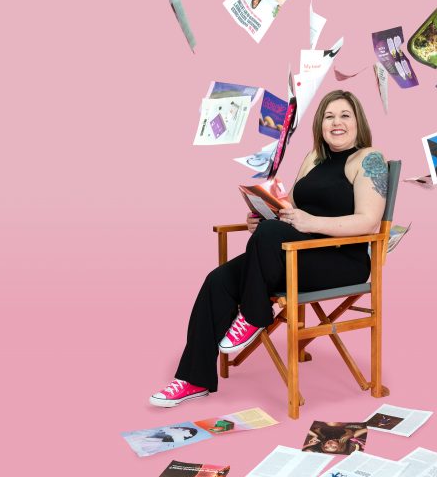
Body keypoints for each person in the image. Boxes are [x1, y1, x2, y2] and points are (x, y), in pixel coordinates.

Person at [150, 90, 388, 407]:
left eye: (345, 115)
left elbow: (368, 222)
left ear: (358, 121)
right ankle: (193, 379)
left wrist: (307, 222)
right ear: (320, 125)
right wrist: (264, 218)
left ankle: (254, 314)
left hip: (343, 258)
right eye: (329, 116)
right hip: (297, 253)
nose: (337, 122)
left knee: (273, 235)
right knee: (218, 279)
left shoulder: (369, 159)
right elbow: (291, 209)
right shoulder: (313, 158)